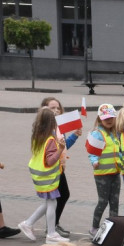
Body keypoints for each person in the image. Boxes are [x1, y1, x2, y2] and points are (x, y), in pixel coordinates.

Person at [19, 108, 68, 244]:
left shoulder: (38, 136)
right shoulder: (50, 139)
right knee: (52, 202)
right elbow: (50, 160)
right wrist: (60, 149)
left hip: (40, 176)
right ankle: (51, 234)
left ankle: (28, 223)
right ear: (52, 123)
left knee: (48, 202)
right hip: (48, 177)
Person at [41, 97, 82, 237]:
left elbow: (63, 147)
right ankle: (49, 227)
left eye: (58, 108)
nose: (56, 110)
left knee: (59, 196)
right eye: (52, 108)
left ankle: (52, 225)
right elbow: (51, 149)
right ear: (44, 110)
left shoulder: (59, 127)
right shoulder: (46, 128)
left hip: (59, 166)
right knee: (60, 195)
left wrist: (75, 136)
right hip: (51, 167)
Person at [88, 104, 123, 234]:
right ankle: (94, 227)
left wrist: (123, 163)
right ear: (99, 119)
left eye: (111, 118)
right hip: (102, 174)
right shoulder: (97, 134)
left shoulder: (115, 134)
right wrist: (94, 161)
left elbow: (118, 152)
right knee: (103, 201)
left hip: (115, 173)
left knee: (114, 201)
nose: (109, 120)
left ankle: (112, 227)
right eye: (105, 118)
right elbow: (92, 152)